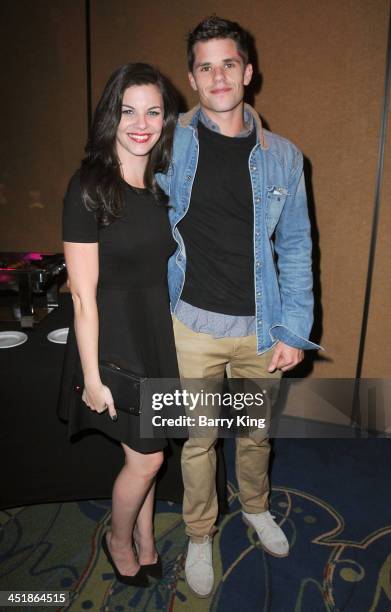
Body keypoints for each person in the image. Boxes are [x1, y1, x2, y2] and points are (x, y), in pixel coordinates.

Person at [156, 16, 321, 597]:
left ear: (248, 73)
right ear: (193, 79)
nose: (218, 76)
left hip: (259, 325)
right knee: (198, 440)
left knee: (253, 435)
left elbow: (297, 247)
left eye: (229, 63)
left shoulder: (284, 157)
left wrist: (294, 329)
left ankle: (255, 506)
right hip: (189, 324)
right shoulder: (167, 139)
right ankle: (201, 533)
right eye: (206, 66)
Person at [58, 62, 178, 587]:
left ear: (165, 119)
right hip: (114, 339)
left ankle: (147, 538)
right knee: (147, 459)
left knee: (151, 448)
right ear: (112, 115)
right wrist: (90, 375)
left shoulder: (160, 186)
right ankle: (118, 537)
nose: (141, 122)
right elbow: (83, 296)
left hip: (156, 330)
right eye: (128, 110)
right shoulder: (88, 186)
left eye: (153, 111)